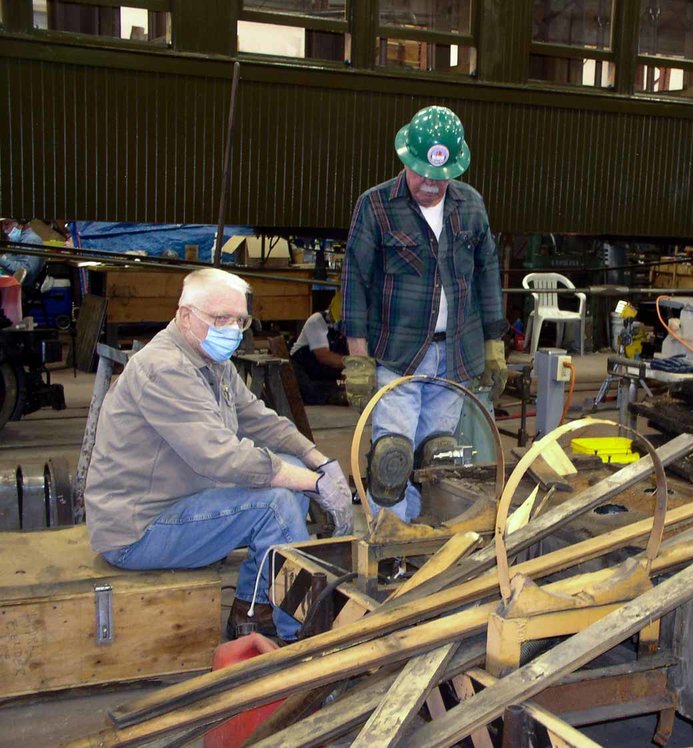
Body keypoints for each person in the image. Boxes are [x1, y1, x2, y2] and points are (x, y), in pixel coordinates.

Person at [84, 268, 353, 642]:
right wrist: (316, 485)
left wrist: (317, 460)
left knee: (288, 472)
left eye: (239, 320)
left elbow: (260, 420)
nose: (231, 329)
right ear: (185, 315)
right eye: (220, 319)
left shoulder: (212, 362)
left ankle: (252, 610)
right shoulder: (164, 369)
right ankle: (303, 637)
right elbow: (223, 458)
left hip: (179, 503)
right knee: (275, 504)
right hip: (138, 529)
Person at [341, 105, 507, 523]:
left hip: (455, 355)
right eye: (422, 174)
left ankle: (425, 541)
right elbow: (354, 282)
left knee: (436, 457)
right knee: (391, 459)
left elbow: (488, 275)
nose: (431, 185)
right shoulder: (376, 206)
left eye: (440, 176)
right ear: (405, 160)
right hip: (397, 353)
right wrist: (358, 357)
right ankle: (390, 544)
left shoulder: (471, 207)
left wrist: (494, 344)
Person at [289, 308, 348, 405]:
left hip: (322, 378)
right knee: (306, 392)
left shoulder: (348, 331)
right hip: (301, 369)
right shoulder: (316, 321)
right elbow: (323, 356)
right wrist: (353, 364)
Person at [1, 219, 45, 288]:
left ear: (21, 223)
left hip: (23, 289)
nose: (3, 228)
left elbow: (26, 270)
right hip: (11, 283)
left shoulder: (32, 240)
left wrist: (2, 261)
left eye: (7, 224)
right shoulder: (17, 239)